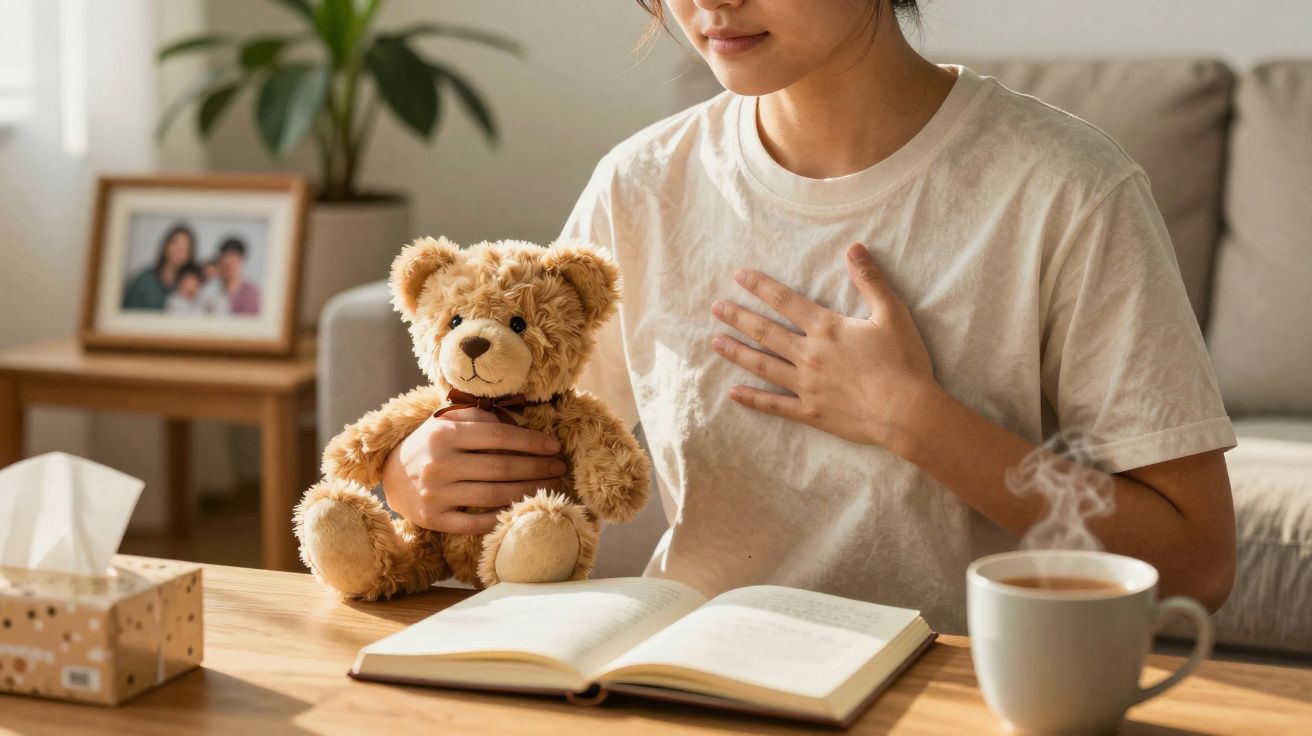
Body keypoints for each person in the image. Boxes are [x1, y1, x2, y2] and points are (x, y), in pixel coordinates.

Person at [378, 0, 1237, 632]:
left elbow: (1196, 562)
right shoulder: (641, 185)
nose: (711, 2)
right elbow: (522, 433)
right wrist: (414, 477)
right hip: (693, 678)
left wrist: (916, 420)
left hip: (957, 693)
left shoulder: (1067, 189)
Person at [122, 223, 195, 310]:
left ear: (190, 254)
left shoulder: (192, 285)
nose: (179, 250)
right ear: (165, 246)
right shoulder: (143, 280)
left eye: (185, 247)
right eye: (175, 243)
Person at [205, 237, 260, 316]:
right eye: (224, 257)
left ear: (241, 259)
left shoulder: (251, 293)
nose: (228, 262)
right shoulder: (212, 290)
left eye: (233, 257)